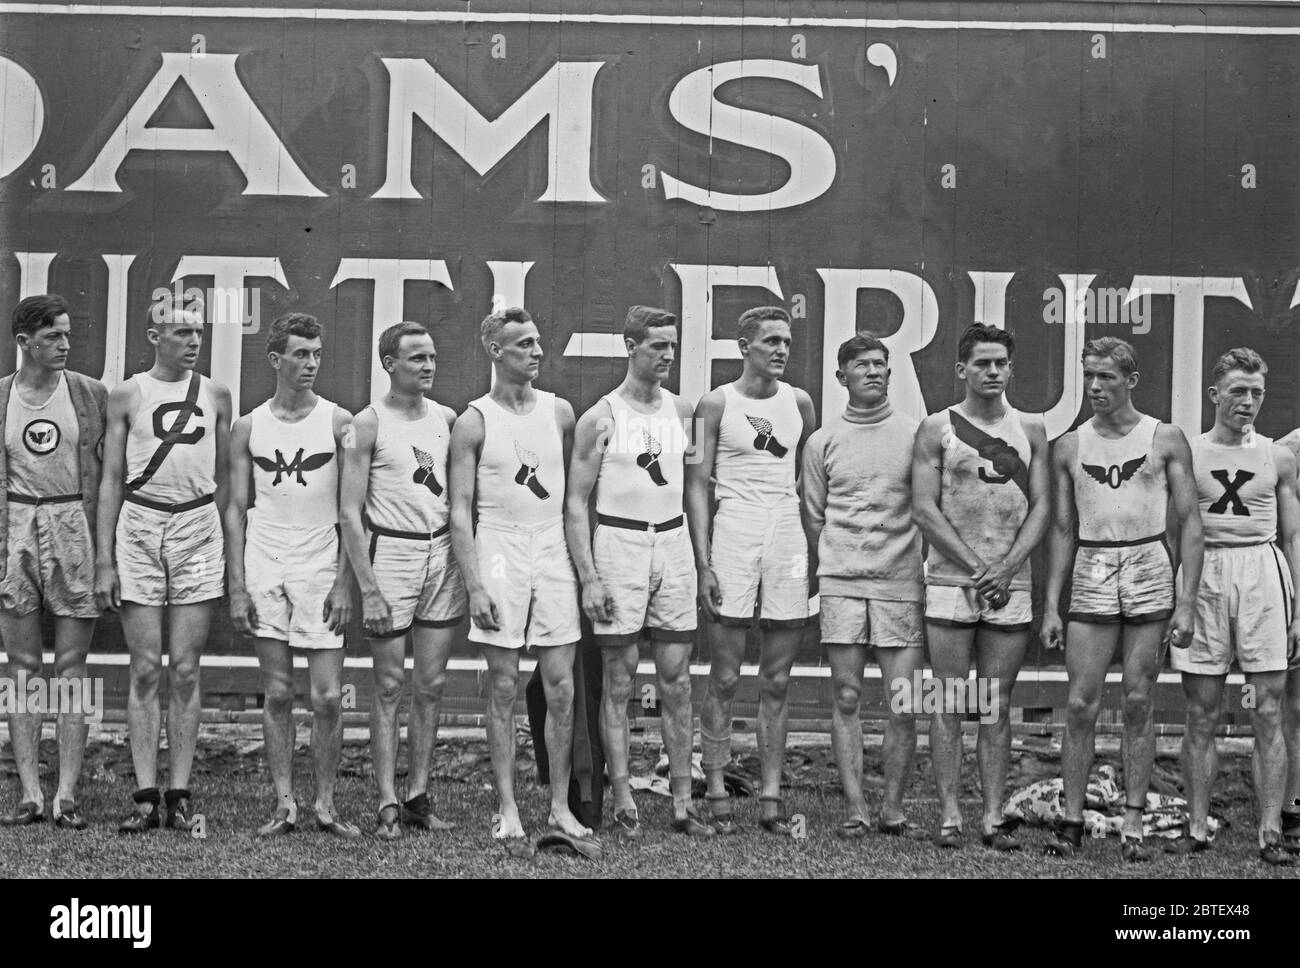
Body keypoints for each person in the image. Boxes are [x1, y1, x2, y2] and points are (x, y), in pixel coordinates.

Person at [1040, 337, 1203, 861]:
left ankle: (1133, 821)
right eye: (1089, 376)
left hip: (1149, 566)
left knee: (1138, 699)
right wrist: (1050, 605)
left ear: (1130, 380)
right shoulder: (1069, 445)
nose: (1095, 387)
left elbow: (1191, 522)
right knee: (1081, 702)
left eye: (1106, 377)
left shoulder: (1165, 438)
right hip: (1092, 568)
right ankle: (1071, 821)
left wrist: (1187, 600)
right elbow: (1063, 528)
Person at [448, 307, 593, 849]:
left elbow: (576, 498)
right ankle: (508, 807)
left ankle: (558, 806)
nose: (536, 352)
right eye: (523, 345)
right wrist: (476, 584)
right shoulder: (474, 421)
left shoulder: (560, 412)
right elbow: (460, 512)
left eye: (538, 342)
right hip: (500, 547)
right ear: (495, 351)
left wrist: (583, 570)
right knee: (504, 684)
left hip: (550, 544)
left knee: (561, 686)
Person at [564, 306, 710, 837]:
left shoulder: (683, 410)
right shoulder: (601, 416)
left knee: (677, 682)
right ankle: (623, 798)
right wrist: (589, 577)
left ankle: (682, 802)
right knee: (619, 681)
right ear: (630, 346)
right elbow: (576, 502)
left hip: (671, 543)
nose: (668, 356)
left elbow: (695, 488)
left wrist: (703, 560)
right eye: (657, 346)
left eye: (673, 346)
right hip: (619, 544)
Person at [96, 295, 232, 833]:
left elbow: (226, 477)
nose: (193, 341)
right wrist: (106, 558)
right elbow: (109, 478)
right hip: (140, 524)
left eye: (197, 333)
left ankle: (179, 792)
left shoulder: (217, 394)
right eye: (181, 333)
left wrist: (217, 536)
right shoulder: (128, 393)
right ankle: (145, 794)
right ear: (154, 337)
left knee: (187, 666)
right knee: (146, 666)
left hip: (197, 526)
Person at [911, 324, 1049, 849]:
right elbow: (924, 508)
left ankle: (993, 815)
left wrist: (1009, 566)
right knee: (948, 700)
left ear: (1011, 369)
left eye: (1000, 363)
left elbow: (1042, 507)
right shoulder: (937, 427)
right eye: (982, 363)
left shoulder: (1031, 429)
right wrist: (976, 566)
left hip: (1011, 582)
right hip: (951, 578)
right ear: (961, 369)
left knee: (994, 702)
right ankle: (949, 815)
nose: (992, 372)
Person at [225, 313, 360, 839]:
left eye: (316, 354)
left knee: (326, 695)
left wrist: (345, 581)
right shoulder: (249, 425)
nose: (310, 364)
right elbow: (236, 508)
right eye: (300, 354)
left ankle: (326, 804)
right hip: (264, 555)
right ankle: (285, 804)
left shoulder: (338, 422)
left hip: (321, 557)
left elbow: (355, 511)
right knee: (277, 691)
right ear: (275, 359)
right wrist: (237, 585)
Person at [687, 306, 817, 835]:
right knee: (724, 674)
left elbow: (808, 482)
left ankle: (770, 794)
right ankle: (715, 786)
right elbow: (695, 483)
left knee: (778, 678)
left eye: (786, 341)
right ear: (744, 346)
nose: (781, 350)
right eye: (770, 341)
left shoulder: (801, 403)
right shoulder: (713, 404)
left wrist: (814, 544)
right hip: (734, 529)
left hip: (785, 530)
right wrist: (703, 563)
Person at [1172, 349, 1299, 865]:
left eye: (1257, 393)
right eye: (1238, 392)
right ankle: (1197, 825)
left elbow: (1292, 536)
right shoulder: (1190, 453)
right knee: (1201, 710)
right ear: (1215, 395)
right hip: (1205, 576)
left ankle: (1270, 831)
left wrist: (1299, 608)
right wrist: (1181, 597)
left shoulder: (1279, 455)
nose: (1248, 402)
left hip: (1262, 573)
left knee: (1266, 709)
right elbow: (1175, 529)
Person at [339, 322, 464, 839]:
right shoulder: (366, 424)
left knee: (431, 685)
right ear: (389, 362)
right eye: (416, 358)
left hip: (442, 554)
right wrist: (367, 586)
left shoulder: (448, 418)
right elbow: (348, 512)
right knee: (389, 685)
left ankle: (417, 795)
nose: (428, 366)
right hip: (389, 553)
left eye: (432, 357)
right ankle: (387, 800)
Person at [801, 333, 928, 840]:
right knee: (847, 695)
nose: (873, 372)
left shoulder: (917, 434)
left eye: (880, 364)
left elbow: (927, 509)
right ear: (842, 377)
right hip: (841, 584)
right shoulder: (822, 442)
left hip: (900, 584)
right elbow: (814, 517)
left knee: (904, 700)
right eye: (862, 365)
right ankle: (855, 808)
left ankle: (893, 809)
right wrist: (842, 560)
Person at [0, 295, 107, 830]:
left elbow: (108, 481)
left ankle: (66, 793)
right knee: (22, 667)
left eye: (68, 335)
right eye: (53, 337)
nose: (65, 345)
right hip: (14, 529)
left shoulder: (89, 395)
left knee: (71, 668)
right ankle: (29, 793)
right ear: (25, 343)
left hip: (73, 529)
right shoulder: (1, 398)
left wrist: (102, 551)